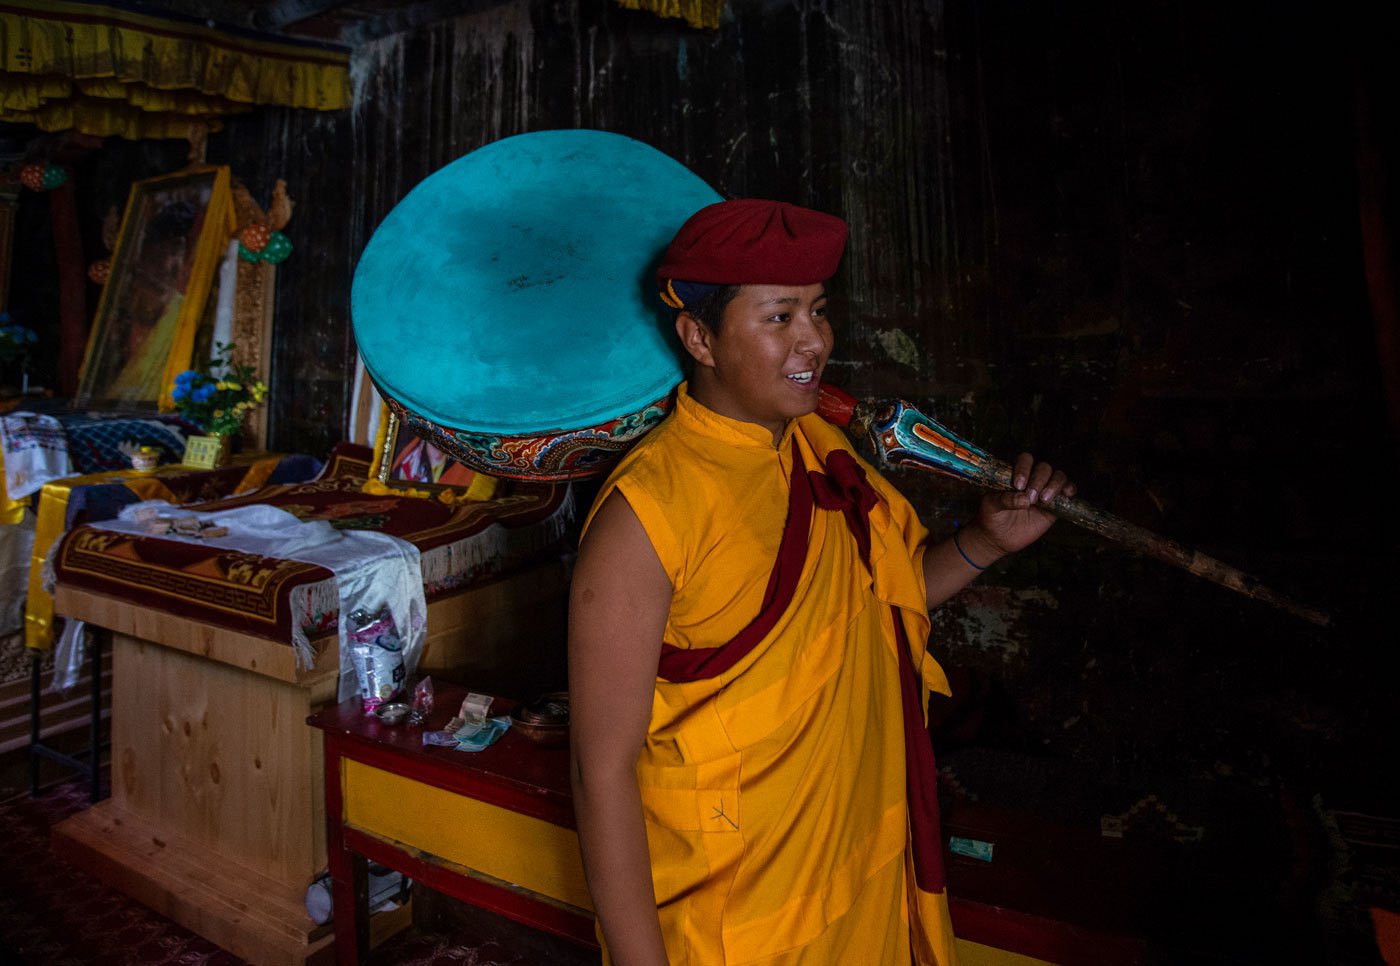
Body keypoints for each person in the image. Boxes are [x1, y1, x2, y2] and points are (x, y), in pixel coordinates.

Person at [568, 199, 1075, 965]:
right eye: (779, 318)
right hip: (733, 919)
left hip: (852, 878)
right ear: (700, 337)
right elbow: (600, 767)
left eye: (818, 310)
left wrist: (984, 541)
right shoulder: (647, 515)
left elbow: (875, 607)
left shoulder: (817, 447)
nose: (815, 341)